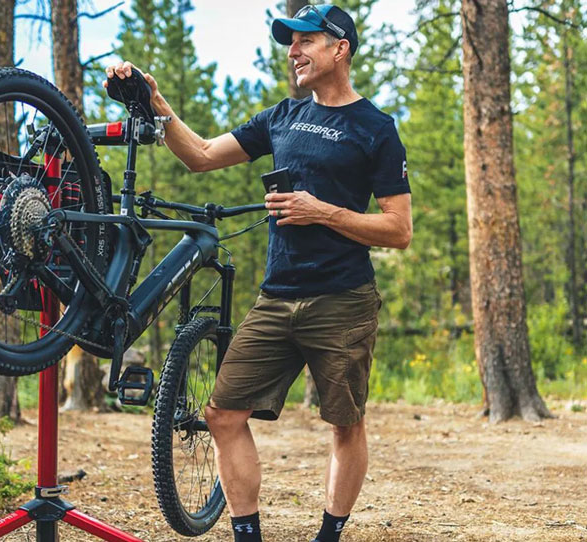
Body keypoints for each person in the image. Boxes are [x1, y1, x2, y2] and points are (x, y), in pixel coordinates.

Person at [105, 4, 412, 541]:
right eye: (289, 42)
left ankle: (328, 534)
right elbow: (199, 155)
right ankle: (248, 535)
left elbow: (399, 228)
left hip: (343, 299)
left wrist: (325, 212)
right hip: (277, 298)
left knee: (345, 423)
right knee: (223, 414)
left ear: (339, 49)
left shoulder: (376, 129)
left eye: (305, 41)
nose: (293, 51)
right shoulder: (282, 117)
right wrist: (156, 104)